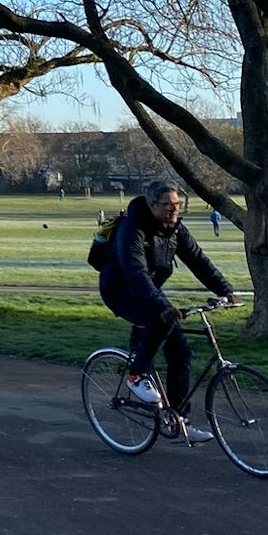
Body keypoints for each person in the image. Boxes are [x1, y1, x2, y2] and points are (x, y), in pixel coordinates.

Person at [98, 181, 237, 440]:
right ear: (152, 206)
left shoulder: (175, 229)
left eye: (177, 204)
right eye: (167, 205)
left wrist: (225, 290)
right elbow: (136, 272)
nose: (174, 210)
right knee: (160, 319)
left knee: (181, 352)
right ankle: (136, 375)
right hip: (121, 290)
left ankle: (178, 420)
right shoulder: (132, 229)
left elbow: (198, 259)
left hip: (149, 289)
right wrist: (162, 307)